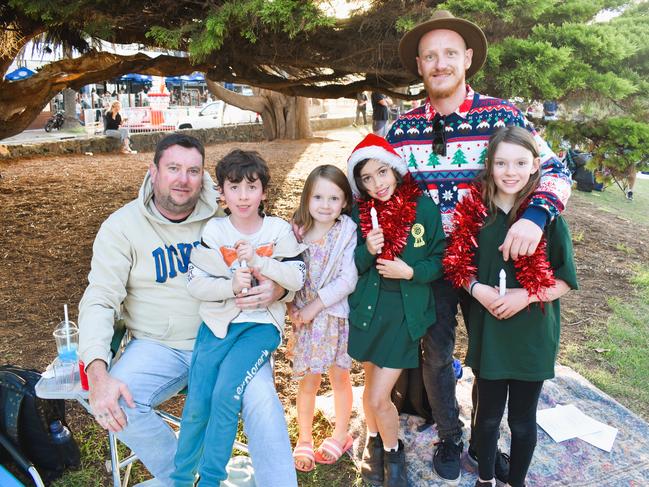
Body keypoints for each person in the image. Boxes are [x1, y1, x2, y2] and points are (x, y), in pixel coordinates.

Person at [389, 9, 572, 484]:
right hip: (430, 263)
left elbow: (555, 171)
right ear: (420, 66)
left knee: (497, 349)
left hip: (492, 255)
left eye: (450, 53)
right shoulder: (403, 128)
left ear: (467, 58)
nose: (440, 62)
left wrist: (535, 216)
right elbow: (385, 192)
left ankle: (485, 441)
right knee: (436, 351)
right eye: (430, 56)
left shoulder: (501, 115)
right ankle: (452, 435)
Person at [78, 134, 299, 487]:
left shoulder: (223, 212)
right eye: (174, 168)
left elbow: (280, 254)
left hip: (229, 337)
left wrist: (280, 287)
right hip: (159, 345)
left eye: (193, 170)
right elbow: (100, 299)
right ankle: (188, 479)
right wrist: (97, 369)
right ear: (153, 171)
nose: (183, 179)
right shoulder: (121, 228)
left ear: (205, 177)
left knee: (264, 405)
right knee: (116, 399)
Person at [444, 127, 578, 487]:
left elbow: (565, 279)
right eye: (501, 162)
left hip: (532, 336)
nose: (510, 171)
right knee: (486, 419)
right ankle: (485, 479)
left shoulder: (546, 219)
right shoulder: (474, 214)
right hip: (490, 333)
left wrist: (527, 295)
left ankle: (515, 481)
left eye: (520, 162)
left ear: (536, 165)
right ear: (489, 165)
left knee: (522, 420)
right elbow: (457, 267)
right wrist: (477, 290)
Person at [172, 149, 306, 485]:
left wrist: (263, 266)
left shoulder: (277, 231)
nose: (243, 196)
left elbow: (298, 276)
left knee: (226, 393)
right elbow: (196, 284)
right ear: (222, 193)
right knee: (198, 399)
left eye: (251, 187)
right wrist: (231, 285)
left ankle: (212, 478)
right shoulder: (215, 232)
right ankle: (182, 477)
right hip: (217, 325)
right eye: (234, 187)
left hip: (259, 328)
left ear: (264, 191)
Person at [346, 134, 446, 487]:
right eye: (367, 179)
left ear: (396, 170)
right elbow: (350, 267)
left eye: (382, 172)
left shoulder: (423, 208)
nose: (377, 184)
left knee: (377, 396)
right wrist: (367, 251)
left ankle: (394, 451)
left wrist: (411, 272)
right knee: (369, 385)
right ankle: (374, 442)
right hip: (367, 313)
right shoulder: (360, 214)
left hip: (403, 316)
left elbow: (440, 259)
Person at [288, 165, 357, 472]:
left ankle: (341, 434)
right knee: (308, 381)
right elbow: (286, 272)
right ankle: (304, 438)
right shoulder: (296, 230)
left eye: (334, 198)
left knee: (339, 377)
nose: (325, 205)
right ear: (307, 198)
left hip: (332, 317)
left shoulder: (346, 232)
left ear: (345, 202)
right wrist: (290, 304)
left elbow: (347, 280)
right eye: (318, 196)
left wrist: (313, 307)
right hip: (305, 321)